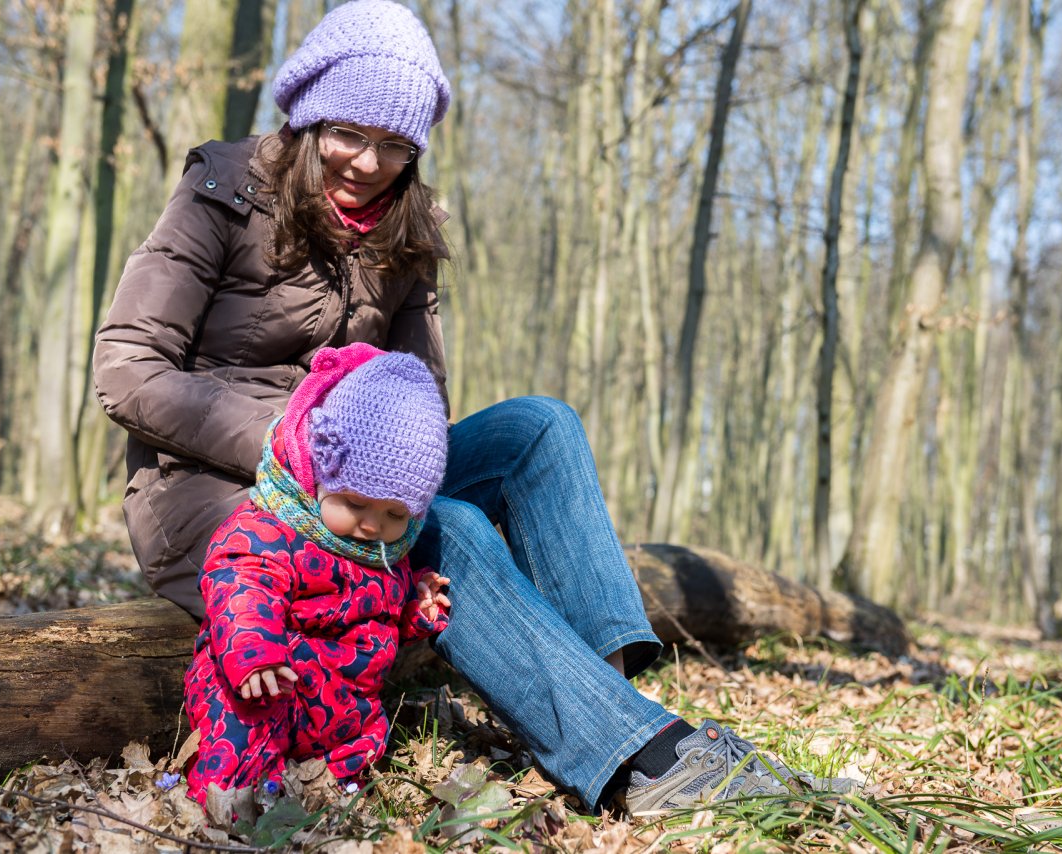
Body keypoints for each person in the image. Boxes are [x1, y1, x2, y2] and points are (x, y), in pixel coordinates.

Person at [93, 0, 857, 816]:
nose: (369, 162)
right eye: (350, 134)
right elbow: (126, 368)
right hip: (220, 496)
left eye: (396, 145)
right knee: (446, 528)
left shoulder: (407, 227)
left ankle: (616, 700)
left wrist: (387, 455)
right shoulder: (223, 193)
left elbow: (422, 398)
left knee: (540, 427)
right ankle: (641, 757)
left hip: (358, 477)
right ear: (311, 116)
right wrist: (289, 438)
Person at [183, 344, 451, 803]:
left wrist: (417, 607)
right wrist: (254, 651)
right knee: (241, 735)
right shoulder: (272, 530)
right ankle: (230, 809)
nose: (372, 526)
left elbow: (382, 616)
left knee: (363, 743)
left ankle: (327, 804)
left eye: (395, 514)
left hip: (344, 707)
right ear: (318, 473)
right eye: (355, 503)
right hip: (268, 681)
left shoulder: (387, 553)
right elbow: (241, 583)